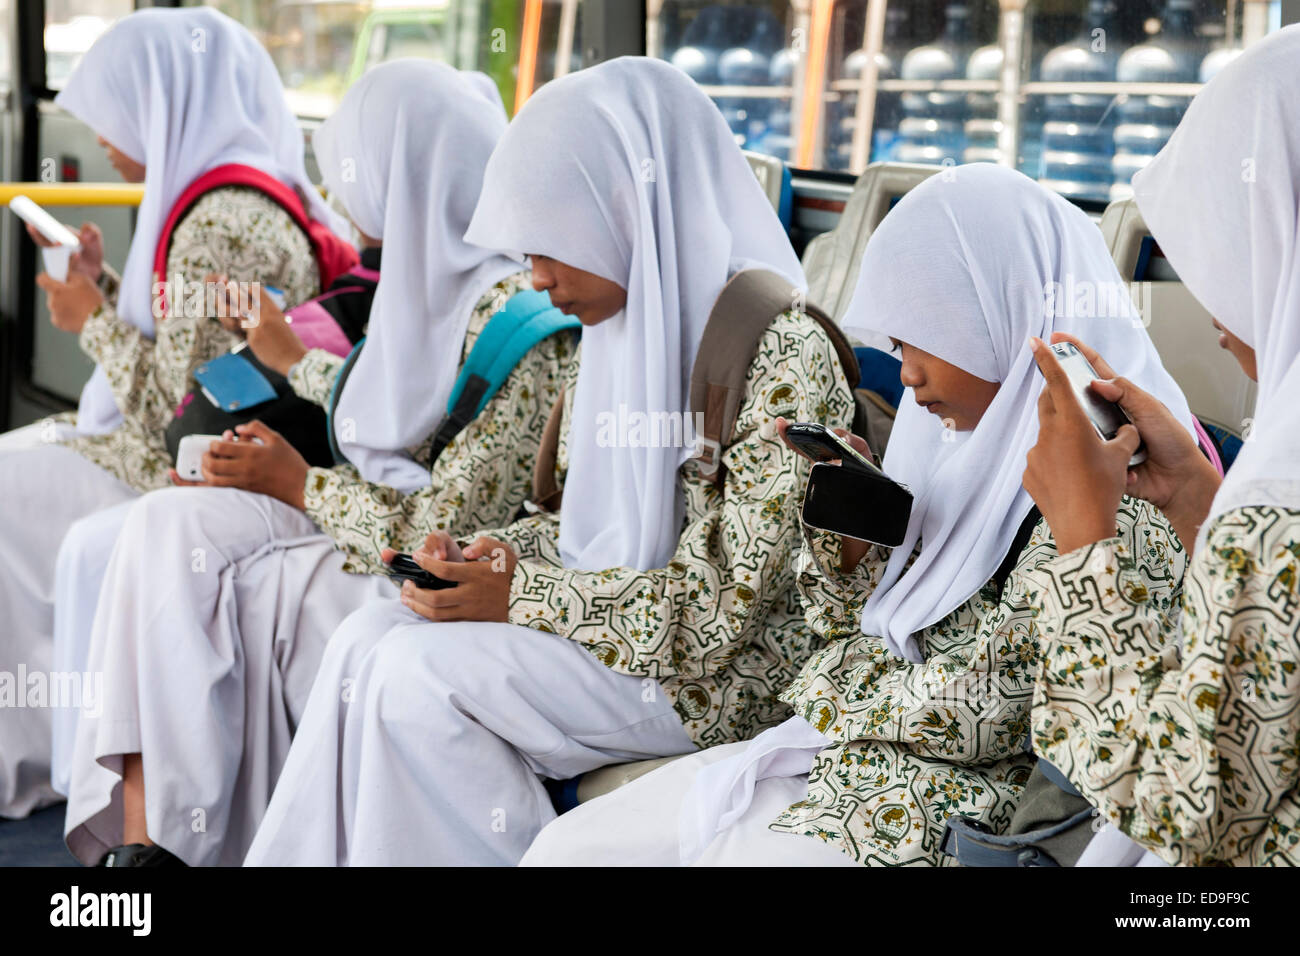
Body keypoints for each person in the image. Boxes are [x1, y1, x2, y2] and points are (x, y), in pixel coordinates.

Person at [244, 56, 855, 867]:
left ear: (625, 212)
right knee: (371, 634)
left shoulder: (780, 356)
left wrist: (521, 591)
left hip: (721, 679)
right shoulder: (611, 336)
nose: (536, 278)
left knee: (415, 682)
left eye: (552, 247)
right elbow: (571, 528)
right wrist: (494, 557)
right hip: (616, 636)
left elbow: (715, 618)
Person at [521, 163, 1195, 867]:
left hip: (940, 806)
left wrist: (834, 690)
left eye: (929, 339)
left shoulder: (1122, 494)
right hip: (842, 762)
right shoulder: (951, 444)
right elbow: (847, 628)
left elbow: (984, 713)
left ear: (1005, 316)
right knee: (567, 851)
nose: (908, 378)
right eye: (899, 349)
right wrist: (850, 549)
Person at [61, 60, 575, 867]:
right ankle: (150, 836)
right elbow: (392, 409)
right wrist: (293, 359)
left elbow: (445, 529)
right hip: (356, 503)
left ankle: (168, 842)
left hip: (412, 554)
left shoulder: (522, 324)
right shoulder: (427, 282)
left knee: (208, 569)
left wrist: (297, 482)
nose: (345, 197)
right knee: (165, 522)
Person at [0, 6, 345, 819]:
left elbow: (170, 414)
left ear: (164, 105)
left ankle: (33, 759)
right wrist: (108, 290)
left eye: (117, 117)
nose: (107, 142)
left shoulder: (218, 224)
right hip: (176, 448)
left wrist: (89, 318)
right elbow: (187, 360)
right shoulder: (241, 197)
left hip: (183, 470)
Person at [1021, 25, 1300, 867]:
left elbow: (1173, 809)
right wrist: (1195, 501)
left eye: (1223, 254)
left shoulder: (1276, 505)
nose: (1217, 322)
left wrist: (1081, 539)